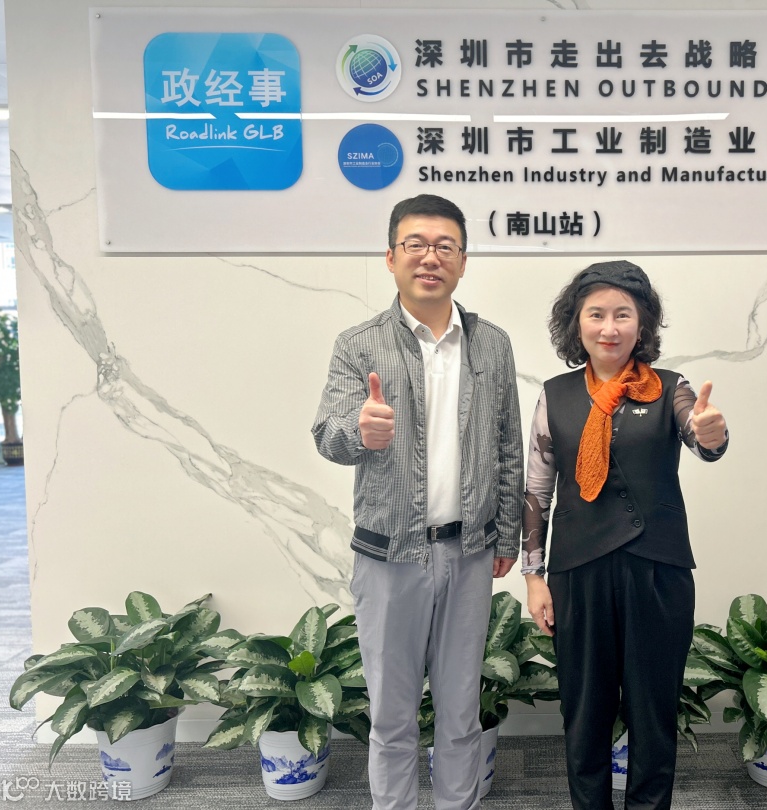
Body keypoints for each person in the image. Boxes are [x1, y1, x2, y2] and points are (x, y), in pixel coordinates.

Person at [312, 194, 523, 810]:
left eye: (445, 246)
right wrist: (361, 431)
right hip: (388, 558)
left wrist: (506, 536)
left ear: (463, 261)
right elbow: (327, 435)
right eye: (416, 245)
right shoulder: (358, 345)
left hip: (470, 552)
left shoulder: (492, 344)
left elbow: (509, 444)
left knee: (460, 711)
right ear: (391, 257)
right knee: (391, 713)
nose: (430, 257)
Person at [522, 260, 728, 810]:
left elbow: (699, 433)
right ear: (577, 323)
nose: (609, 327)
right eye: (596, 315)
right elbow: (537, 491)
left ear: (642, 325)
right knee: (584, 712)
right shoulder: (554, 395)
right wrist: (534, 578)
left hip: (657, 570)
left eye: (622, 315)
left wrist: (711, 433)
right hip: (577, 573)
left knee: (653, 712)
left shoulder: (671, 389)